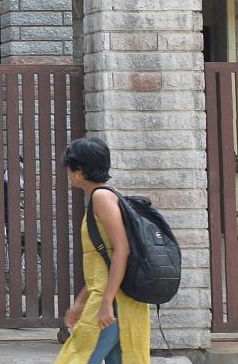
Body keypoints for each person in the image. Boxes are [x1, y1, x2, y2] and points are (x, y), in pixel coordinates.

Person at [55, 137, 151, 364]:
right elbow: (104, 263)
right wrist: (80, 302)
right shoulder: (102, 197)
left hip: (112, 305)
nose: (68, 173)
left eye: (69, 168)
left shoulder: (101, 198)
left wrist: (107, 302)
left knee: (77, 358)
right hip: (115, 301)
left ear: (79, 171)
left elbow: (122, 250)